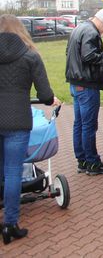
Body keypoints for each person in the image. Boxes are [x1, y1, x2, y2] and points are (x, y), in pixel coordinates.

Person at [0, 15, 61, 244]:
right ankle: (10, 223)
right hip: (17, 120)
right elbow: (45, 95)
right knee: (13, 171)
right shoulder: (30, 56)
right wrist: (50, 100)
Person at [65, 7, 103, 175]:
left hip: (75, 82)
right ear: (102, 21)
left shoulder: (79, 28)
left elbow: (70, 52)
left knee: (79, 123)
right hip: (87, 84)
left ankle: (82, 160)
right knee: (89, 125)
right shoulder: (91, 32)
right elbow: (88, 56)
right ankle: (93, 162)